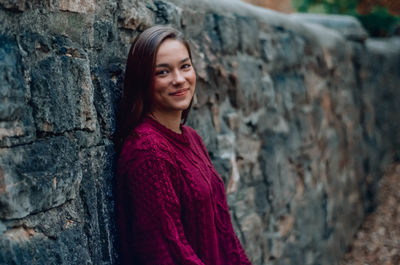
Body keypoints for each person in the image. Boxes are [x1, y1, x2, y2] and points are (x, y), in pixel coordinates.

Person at [115, 25, 252, 265]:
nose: (179, 80)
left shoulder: (191, 138)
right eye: (163, 72)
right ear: (143, 81)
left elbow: (224, 233)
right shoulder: (148, 151)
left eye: (185, 66)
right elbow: (166, 251)